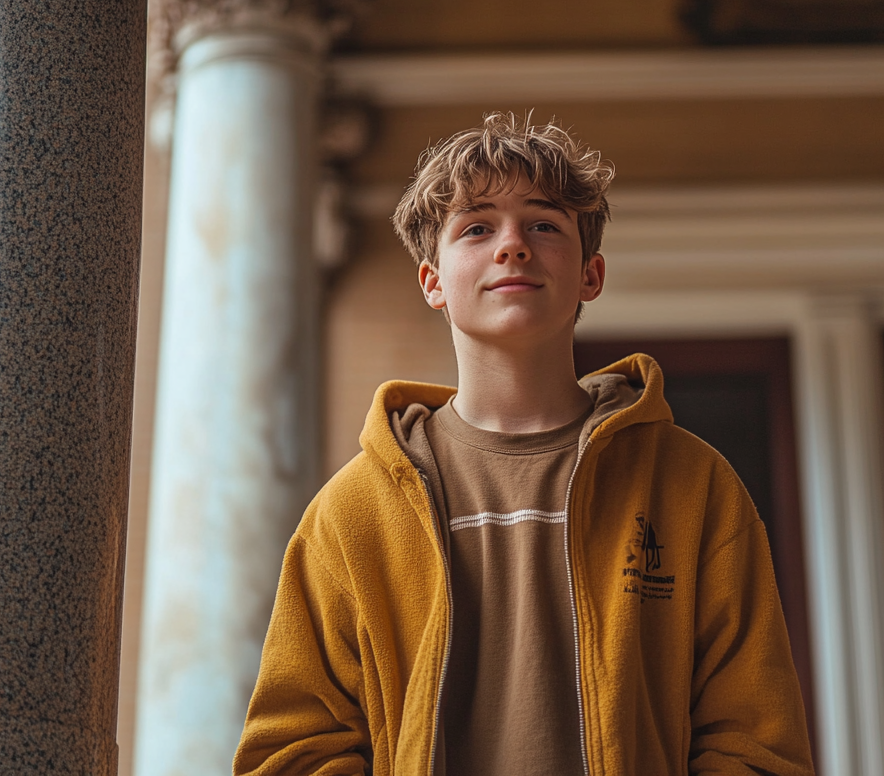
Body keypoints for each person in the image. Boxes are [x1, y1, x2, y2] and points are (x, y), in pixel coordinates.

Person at [234, 113, 815, 776]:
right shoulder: (349, 514)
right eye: (477, 228)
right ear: (433, 283)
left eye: (543, 224)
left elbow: (755, 741)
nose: (512, 246)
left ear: (591, 275)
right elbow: (294, 751)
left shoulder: (692, 485)